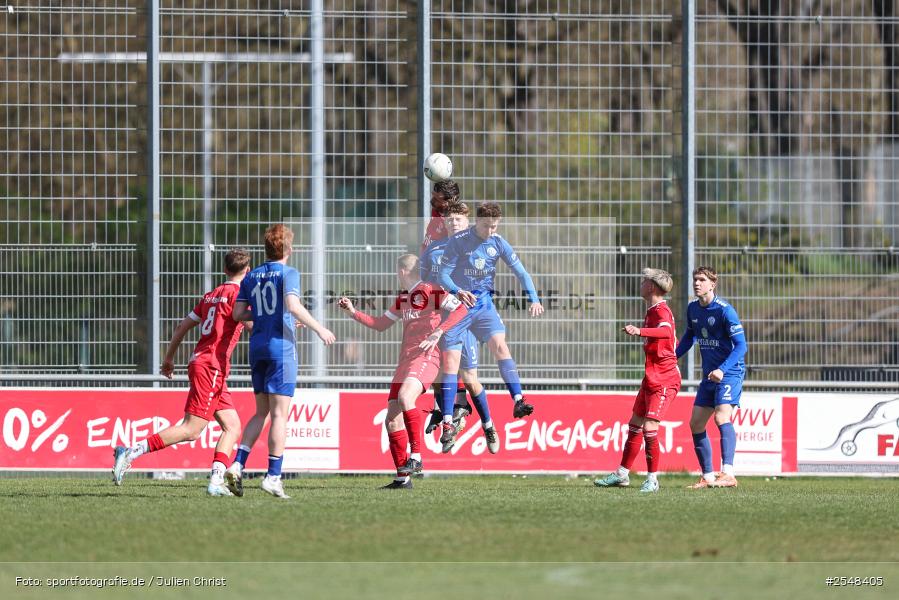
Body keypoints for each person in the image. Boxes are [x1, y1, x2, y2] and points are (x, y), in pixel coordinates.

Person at [112, 248, 252, 496]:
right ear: (248, 271)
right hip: (211, 366)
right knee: (191, 429)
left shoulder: (210, 296)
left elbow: (182, 326)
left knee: (232, 426)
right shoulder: (239, 296)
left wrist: (168, 358)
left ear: (224, 269)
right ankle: (131, 452)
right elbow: (252, 326)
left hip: (202, 363)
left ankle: (216, 481)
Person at [338, 254, 468, 488]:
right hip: (405, 363)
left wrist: (439, 331)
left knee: (406, 397)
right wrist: (352, 312)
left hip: (426, 357)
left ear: (402, 271)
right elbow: (380, 324)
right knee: (392, 421)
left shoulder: (430, 290)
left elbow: (461, 309)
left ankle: (416, 457)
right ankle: (402, 479)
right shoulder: (404, 299)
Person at [225, 224, 336, 499]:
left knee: (260, 413)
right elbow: (293, 306)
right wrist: (320, 329)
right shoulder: (289, 273)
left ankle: (237, 465)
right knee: (279, 415)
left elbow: (238, 314)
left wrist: (265, 315)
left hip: (257, 348)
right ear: (289, 249)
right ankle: (273, 476)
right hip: (281, 350)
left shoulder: (251, 275)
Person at [437, 202, 543, 448]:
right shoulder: (459, 242)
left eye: (494, 226)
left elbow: (521, 273)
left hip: (484, 307)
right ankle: (449, 422)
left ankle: (518, 400)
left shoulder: (498, 243)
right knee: (457, 369)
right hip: (459, 309)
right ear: (477, 221)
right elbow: (443, 275)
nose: (490, 231)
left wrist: (534, 299)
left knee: (501, 346)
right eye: (486, 226)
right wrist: (458, 291)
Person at [420, 201, 499, 453]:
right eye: (450, 219)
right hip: (440, 321)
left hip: (466, 320)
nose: (454, 223)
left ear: (468, 223)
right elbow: (424, 284)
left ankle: (488, 424)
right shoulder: (433, 250)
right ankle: (447, 419)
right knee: (440, 373)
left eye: (459, 220)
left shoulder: (478, 246)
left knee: (470, 378)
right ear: (444, 222)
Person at [594, 269, 681, 493]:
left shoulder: (661, 310)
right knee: (634, 424)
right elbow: (671, 338)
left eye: (644, 281)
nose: (641, 284)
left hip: (664, 378)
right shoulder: (652, 310)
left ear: (651, 286)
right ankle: (622, 474)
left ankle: (652, 480)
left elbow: (665, 332)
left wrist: (639, 331)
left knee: (650, 427)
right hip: (651, 376)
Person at [676, 266, 747, 489]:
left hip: (729, 372)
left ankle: (728, 473)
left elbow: (741, 346)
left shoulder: (725, 311)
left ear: (712, 284)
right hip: (709, 374)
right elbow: (690, 337)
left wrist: (722, 370)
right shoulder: (692, 309)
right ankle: (708, 476)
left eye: (702, 280)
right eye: (695, 279)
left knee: (721, 417)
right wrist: (672, 357)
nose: (697, 283)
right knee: (696, 423)